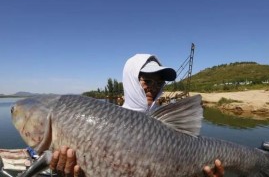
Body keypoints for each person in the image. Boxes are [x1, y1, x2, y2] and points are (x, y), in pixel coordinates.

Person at [50, 54, 224, 177]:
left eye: (159, 82)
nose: (153, 87)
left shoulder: (171, 123)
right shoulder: (103, 124)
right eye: (147, 80)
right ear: (131, 80)